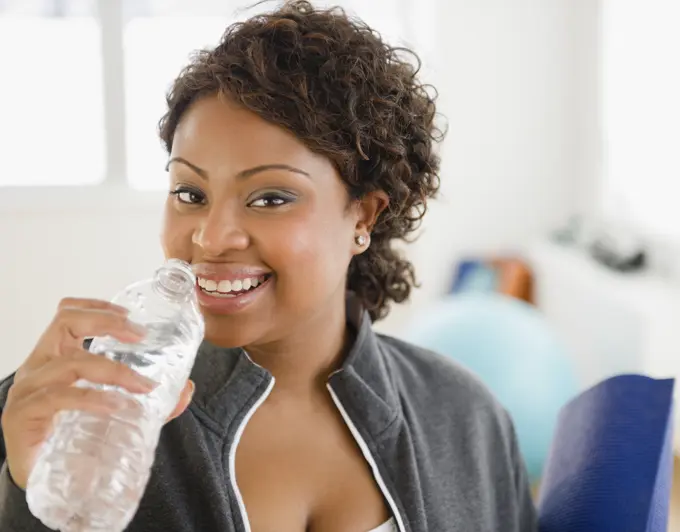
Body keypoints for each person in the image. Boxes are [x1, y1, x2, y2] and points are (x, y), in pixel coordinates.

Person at [0, 2, 537, 531]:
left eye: (271, 198)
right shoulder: (69, 409)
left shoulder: (465, 418)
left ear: (365, 215)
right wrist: (31, 498)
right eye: (190, 192)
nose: (211, 236)